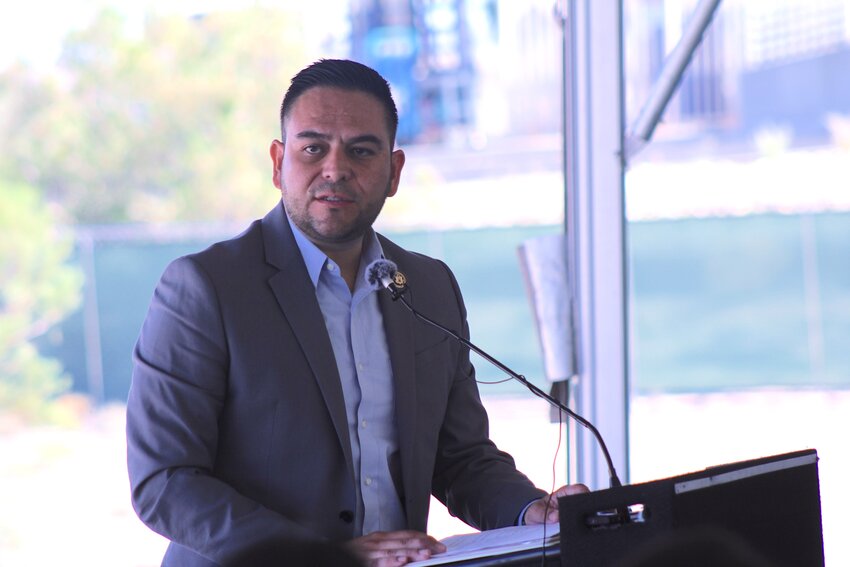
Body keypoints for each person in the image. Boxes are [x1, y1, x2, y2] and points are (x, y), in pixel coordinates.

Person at [126, 58, 588, 567]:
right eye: (313, 148)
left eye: (361, 151)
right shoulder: (205, 288)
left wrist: (530, 511)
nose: (335, 168)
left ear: (393, 172)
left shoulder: (429, 288)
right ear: (278, 163)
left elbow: (459, 459)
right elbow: (164, 481)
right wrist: (324, 557)